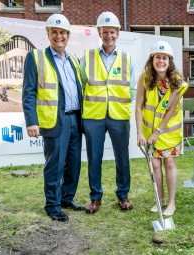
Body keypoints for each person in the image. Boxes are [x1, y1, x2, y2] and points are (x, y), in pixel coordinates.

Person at [22, 14, 84, 222]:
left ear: (68, 35)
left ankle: (67, 198)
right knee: (55, 165)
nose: (59, 36)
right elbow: (29, 92)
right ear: (48, 34)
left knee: (73, 164)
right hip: (54, 120)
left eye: (63, 33)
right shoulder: (36, 57)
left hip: (75, 118)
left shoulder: (74, 59)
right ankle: (52, 205)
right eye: (54, 32)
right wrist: (31, 121)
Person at [81, 11, 136, 213]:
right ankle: (95, 197)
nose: (109, 36)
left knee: (122, 158)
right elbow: (82, 84)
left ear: (118, 33)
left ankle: (123, 195)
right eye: (105, 32)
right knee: (94, 159)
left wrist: (122, 105)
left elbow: (132, 88)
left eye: (112, 32)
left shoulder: (126, 58)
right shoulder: (88, 56)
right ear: (99, 32)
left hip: (119, 116)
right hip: (93, 116)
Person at [136, 41, 188, 216]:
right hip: (150, 133)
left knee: (169, 163)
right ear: (152, 59)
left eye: (164, 58)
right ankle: (160, 199)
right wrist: (140, 132)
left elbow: (171, 110)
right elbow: (138, 106)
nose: (161, 61)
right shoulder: (144, 78)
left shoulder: (176, 82)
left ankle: (171, 203)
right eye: (158, 57)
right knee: (155, 165)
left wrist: (158, 132)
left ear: (170, 61)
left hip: (168, 133)